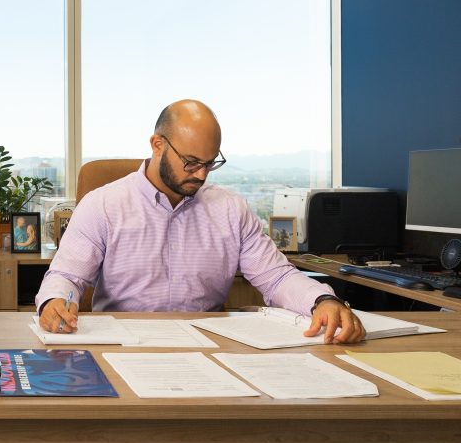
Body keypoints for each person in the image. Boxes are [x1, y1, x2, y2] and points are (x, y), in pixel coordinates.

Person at [37, 99, 365, 345]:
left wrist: (322, 300)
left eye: (211, 163)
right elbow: (67, 275)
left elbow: (276, 278)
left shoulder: (231, 209)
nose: (202, 174)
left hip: (208, 343)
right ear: (157, 145)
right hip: (125, 342)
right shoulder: (103, 205)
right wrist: (55, 302)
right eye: (192, 162)